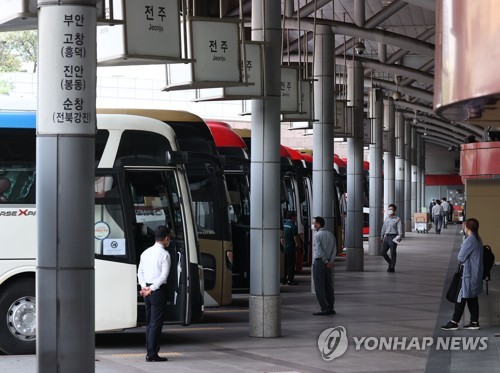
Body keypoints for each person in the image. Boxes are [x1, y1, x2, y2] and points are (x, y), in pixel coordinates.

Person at [137, 225, 172, 362]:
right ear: (166, 238)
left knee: (149, 322)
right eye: (169, 239)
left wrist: (144, 287)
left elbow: (140, 272)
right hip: (157, 291)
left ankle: (149, 351)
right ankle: (152, 353)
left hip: (147, 292)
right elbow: (164, 276)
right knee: (156, 323)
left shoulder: (145, 253)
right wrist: (152, 288)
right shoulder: (165, 254)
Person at [441, 218, 483, 330]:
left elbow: (460, 258)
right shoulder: (478, 239)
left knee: (461, 296)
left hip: (468, 275)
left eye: (464, 225)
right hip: (475, 273)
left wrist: (463, 245)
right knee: (472, 297)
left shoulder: (470, 240)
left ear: (467, 227)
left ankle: (454, 322)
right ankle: (474, 322)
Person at [311, 216, 336, 316]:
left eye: (314, 223)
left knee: (319, 286)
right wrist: (331, 261)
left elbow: (319, 250)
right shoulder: (331, 234)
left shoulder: (317, 236)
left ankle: (324, 308)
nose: (313, 225)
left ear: (318, 224)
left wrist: (325, 262)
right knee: (328, 285)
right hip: (329, 263)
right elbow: (335, 249)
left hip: (320, 262)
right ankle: (331, 307)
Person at [281, 211, 302, 285]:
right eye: (295, 216)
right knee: (291, 264)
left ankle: (283, 279)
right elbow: (295, 237)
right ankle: (290, 279)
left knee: (285, 264)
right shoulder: (293, 226)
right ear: (292, 217)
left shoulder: (284, 225)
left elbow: (282, 238)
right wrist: (298, 246)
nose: (296, 218)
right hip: (291, 248)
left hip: (284, 248)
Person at [380, 204, 403, 273]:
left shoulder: (397, 219)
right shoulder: (386, 218)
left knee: (393, 252)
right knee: (383, 252)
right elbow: (383, 227)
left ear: (394, 210)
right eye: (389, 209)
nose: (390, 210)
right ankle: (391, 263)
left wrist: (400, 236)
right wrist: (382, 235)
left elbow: (399, 228)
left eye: (392, 209)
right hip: (386, 237)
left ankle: (392, 267)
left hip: (394, 236)